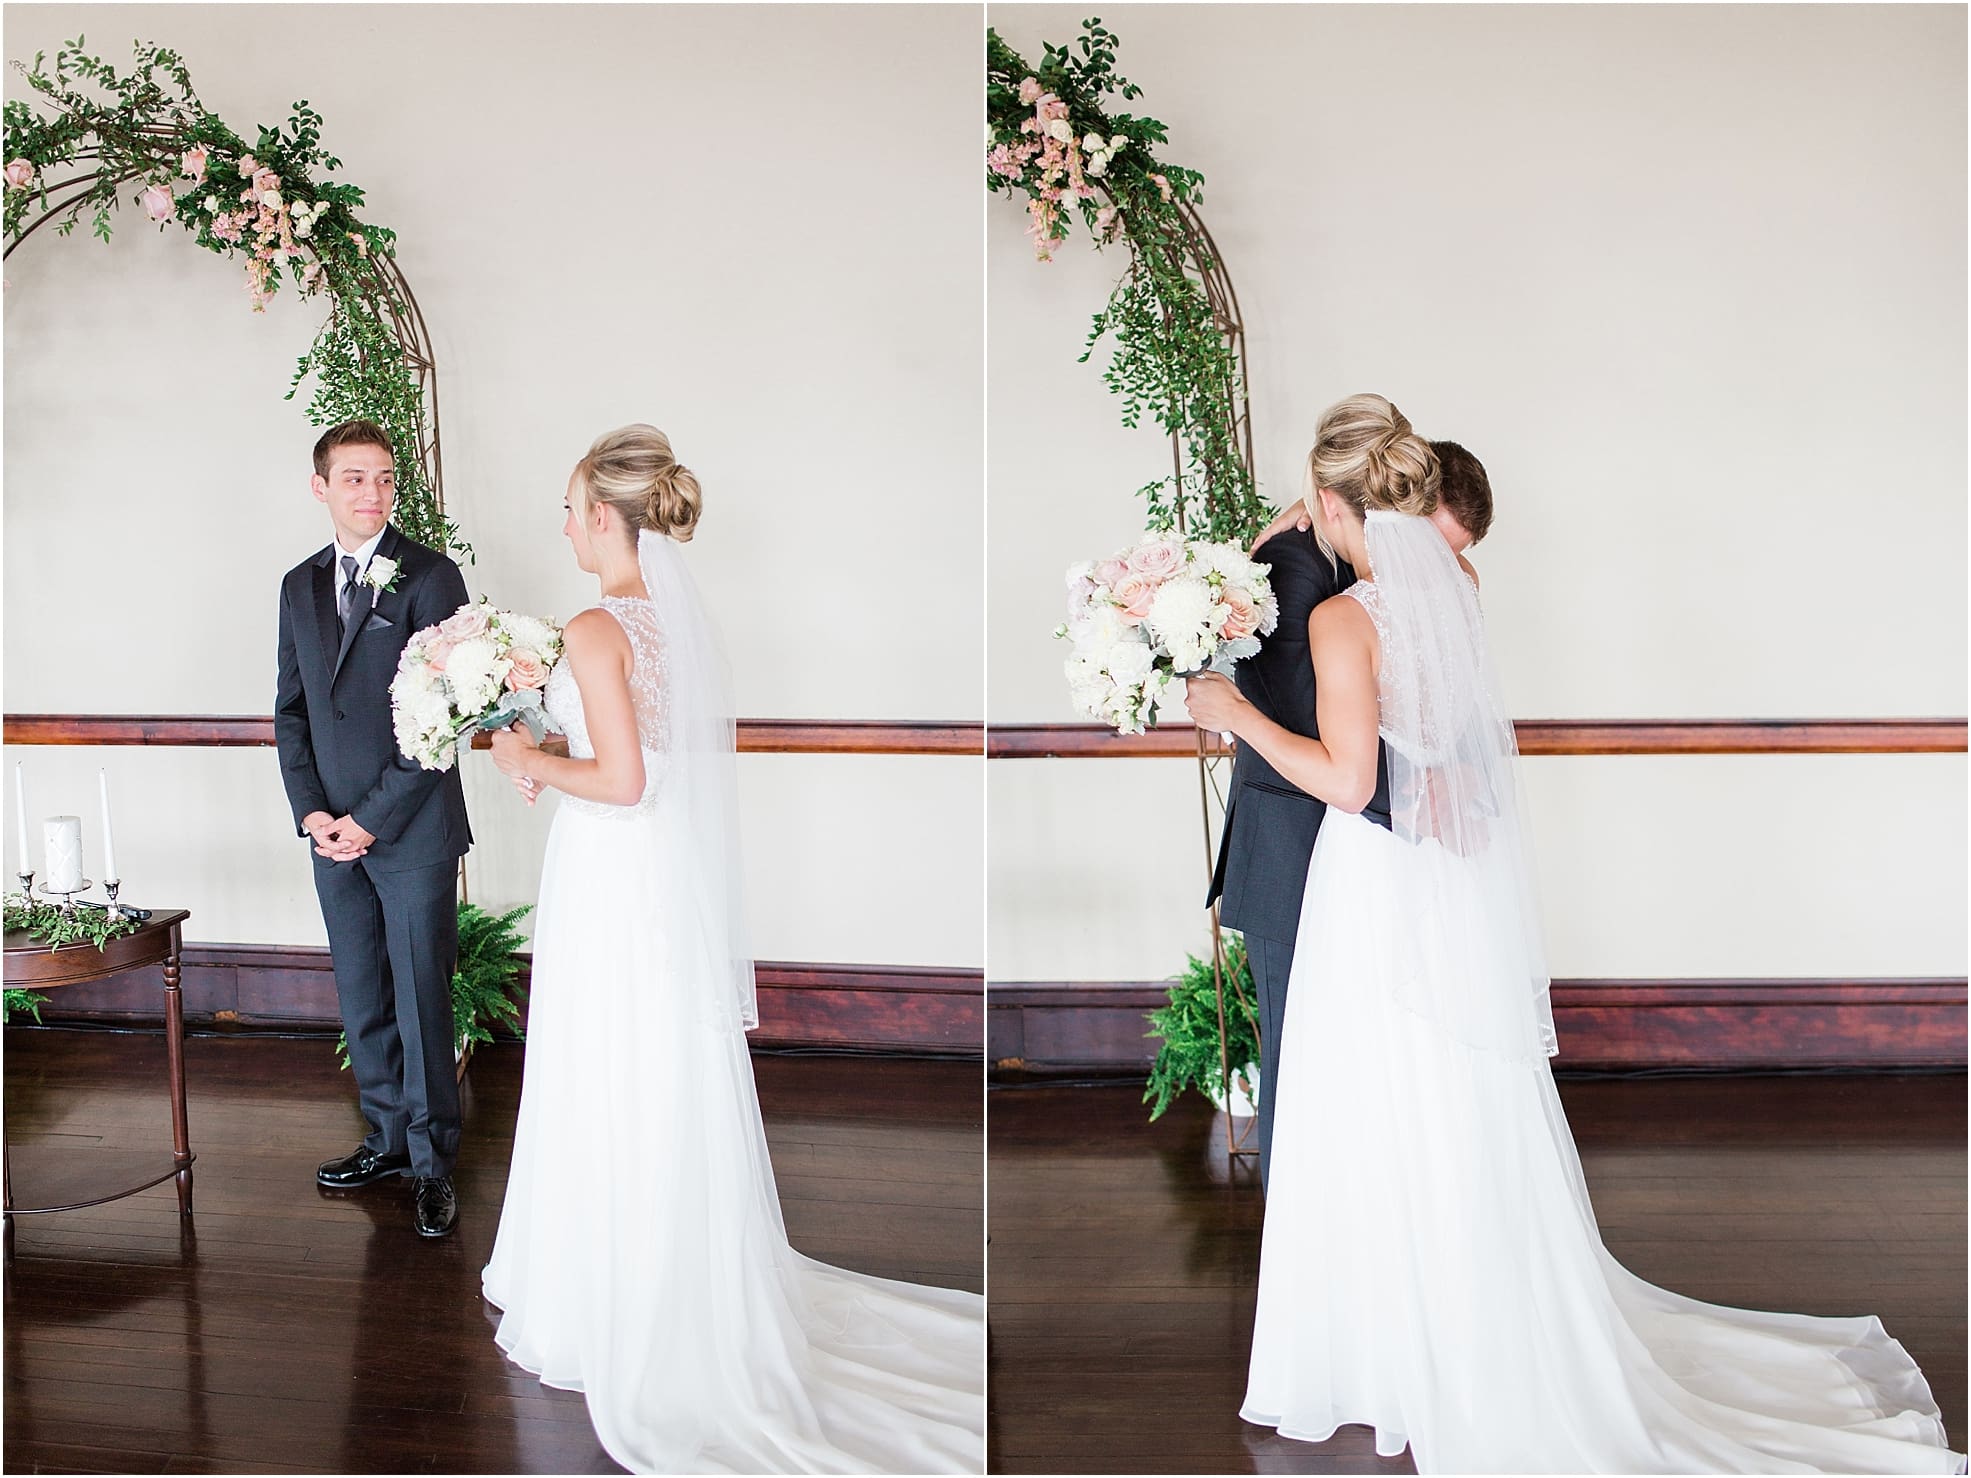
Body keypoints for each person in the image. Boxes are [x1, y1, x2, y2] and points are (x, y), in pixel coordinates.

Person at [1184, 394, 1961, 1474]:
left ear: (1330, 502)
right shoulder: (1454, 592)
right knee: (1443, 1105)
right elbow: (1444, 757)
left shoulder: (1340, 618)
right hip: (1437, 889)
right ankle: (1440, 1336)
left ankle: (1377, 1354)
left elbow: (1351, 780)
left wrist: (1239, 716)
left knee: (1367, 1104)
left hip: (1368, 888)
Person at [479, 424, 984, 1474]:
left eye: (571, 506)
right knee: (650, 1063)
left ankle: (613, 1296)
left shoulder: (590, 623)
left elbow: (623, 781)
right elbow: (644, 756)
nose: (564, 524)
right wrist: (557, 756)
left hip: (616, 873)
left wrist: (530, 752)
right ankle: (666, 1270)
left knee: (604, 1061)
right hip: (657, 877)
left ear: (608, 519)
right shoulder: (671, 620)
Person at [1207, 439, 1491, 1188]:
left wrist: (1444, 786)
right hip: (1301, 847)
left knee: (1407, 1065)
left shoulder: (1416, 590)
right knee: (1304, 1071)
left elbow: (1384, 741)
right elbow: (1314, 721)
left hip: (1384, 842)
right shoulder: (1291, 566)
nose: (1434, 564)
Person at [274, 418, 472, 1239]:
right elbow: (292, 711)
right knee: (362, 994)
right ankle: (386, 1139)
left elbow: (443, 721)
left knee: (421, 994)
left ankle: (432, 1164)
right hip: (332, 834)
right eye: (354, 478)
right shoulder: (297, 585)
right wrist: (316, 815)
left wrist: (367, 819)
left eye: (385, 479)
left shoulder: (431, 577)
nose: (373, 493)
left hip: (410, 829)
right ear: (320, 486)